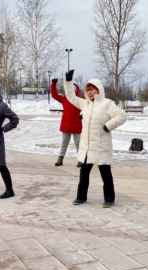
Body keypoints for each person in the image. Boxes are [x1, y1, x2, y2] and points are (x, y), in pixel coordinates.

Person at [63, 69, 127, 208]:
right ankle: (81, 196)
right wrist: (68, 82)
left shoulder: (107, 103)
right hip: (87, 147)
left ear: (99, 90)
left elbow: (121, 116)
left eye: (92, 89)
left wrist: (108, 126)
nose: (90, 92)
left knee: (105, 174)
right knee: (84, 173)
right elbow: (71, 97)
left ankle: (109, 199)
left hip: (101, 146)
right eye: (88, 90)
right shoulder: (85, 103)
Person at [50, 78, 83, 167]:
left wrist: (82, 116)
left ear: (76, 90)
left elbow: (87, 110)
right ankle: (60, 159)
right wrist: (53, 84)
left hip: (77, 126)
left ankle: (80, 160)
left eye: (74, 89)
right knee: (64, 143)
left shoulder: (80, 100)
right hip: (66, 126)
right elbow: (54, 95)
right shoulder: (65, 99)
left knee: (78, 144)